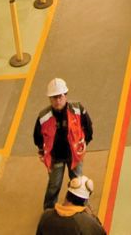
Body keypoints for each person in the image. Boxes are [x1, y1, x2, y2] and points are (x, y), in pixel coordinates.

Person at [33, 77, 94, 207]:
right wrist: (43, 151)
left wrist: (82, 145)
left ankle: (81, 206)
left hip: (74, 156)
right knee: (54, 185)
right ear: (50, 99)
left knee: (78, 183)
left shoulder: (78, 109)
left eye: (60, 96)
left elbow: (88, 128)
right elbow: (37, 137)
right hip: (56, 158)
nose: (58, 100)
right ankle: (49, 210)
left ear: (65, 95)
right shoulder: (43, 117)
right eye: (54, 97)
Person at [37, 175, 107, 234]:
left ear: (67, 195)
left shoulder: (46, 216)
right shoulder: (87, 223)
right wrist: (93, 217)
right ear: (85, 201)